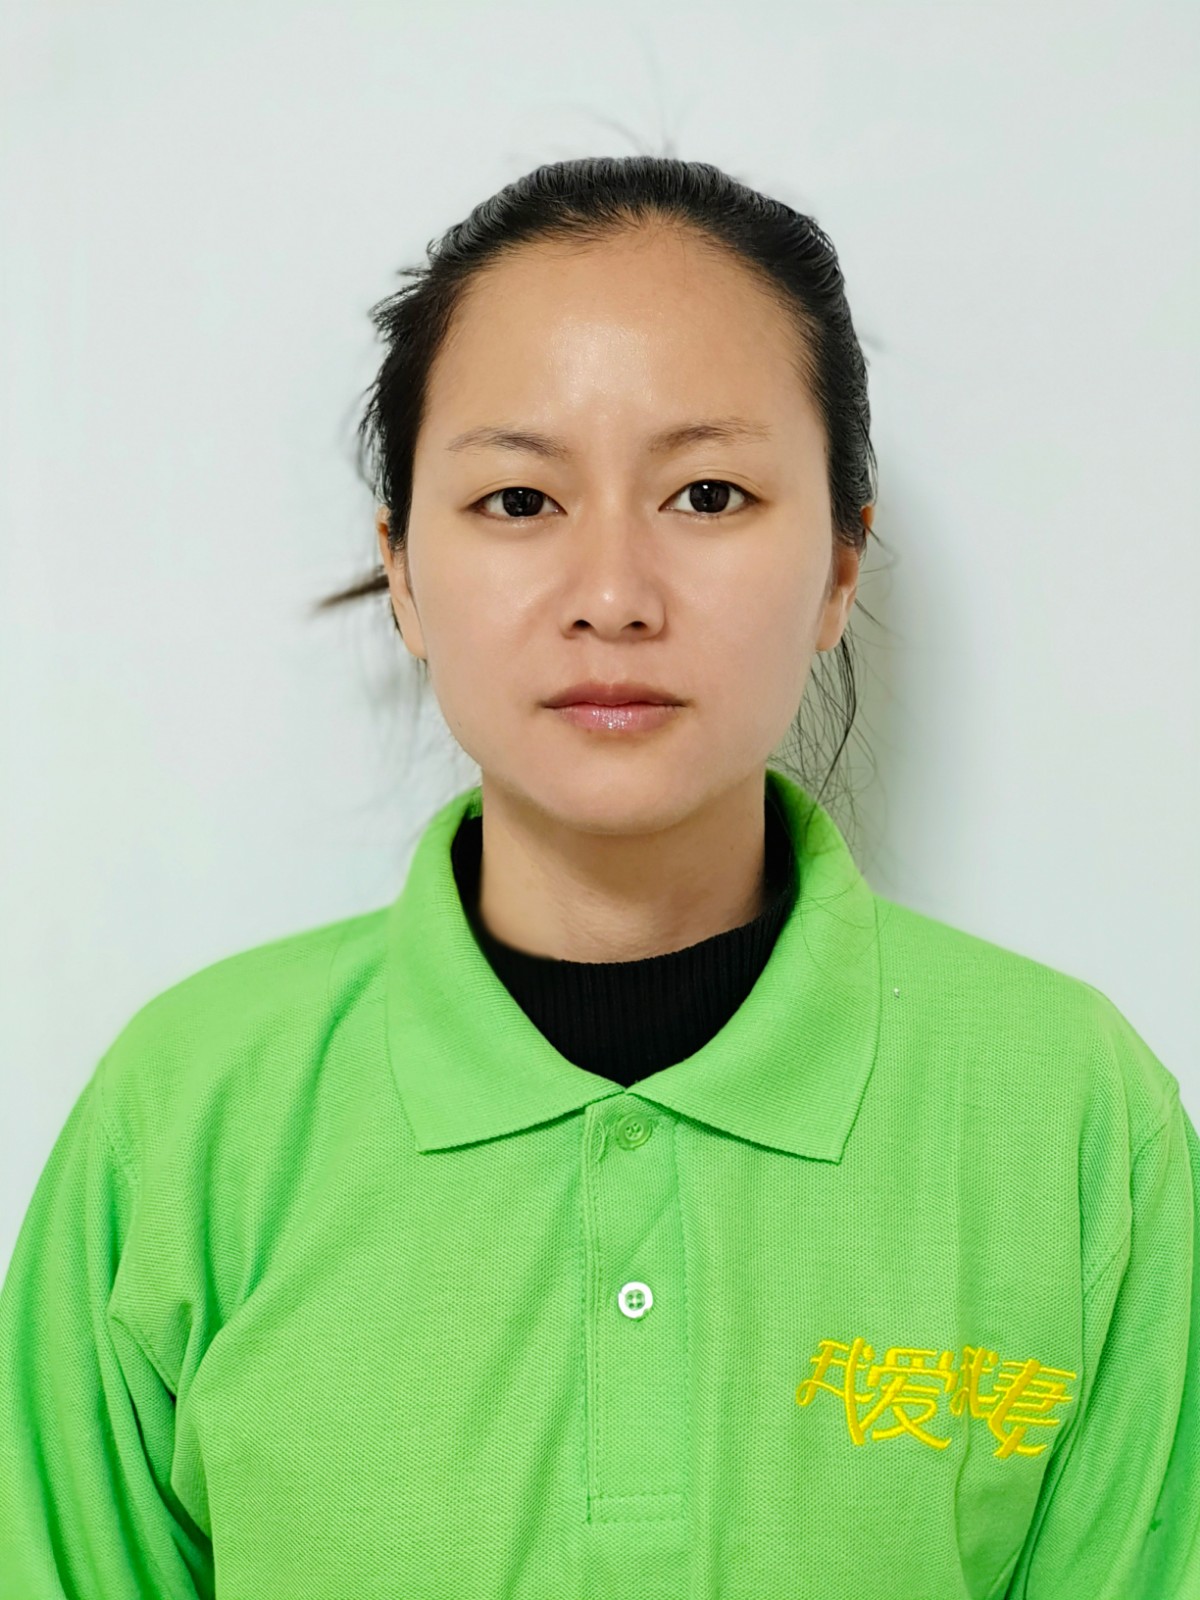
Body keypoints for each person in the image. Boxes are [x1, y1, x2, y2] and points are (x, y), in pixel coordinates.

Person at [1, 154, 1196, 1600]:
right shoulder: (185, 1122)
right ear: (402, 573)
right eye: (518, 499)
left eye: (708, 492)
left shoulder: (1074, 1119)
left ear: (838, 567)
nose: (614, 596)